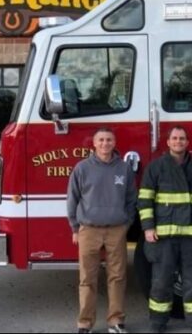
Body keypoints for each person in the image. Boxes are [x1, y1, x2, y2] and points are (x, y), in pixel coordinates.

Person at [137, 125, 192, 333]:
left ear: (187, 143)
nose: (178, 142)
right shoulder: (156, 168)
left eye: (182, 139)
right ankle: (157, 323)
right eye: (174, 138)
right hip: (164, 237)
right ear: (168, 142)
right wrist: (147, 228)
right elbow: (145, 199)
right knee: (161, 283)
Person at [67, 127, 137, 334]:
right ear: (94, 144)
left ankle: (116, 321)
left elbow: (132, 199)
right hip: (88, 229)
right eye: (101, 140)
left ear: (114, 143)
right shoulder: (82, 168)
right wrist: (74, 227)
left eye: (109, 140)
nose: (105, 143)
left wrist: (126, 223)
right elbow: (73, 199)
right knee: (87, 278)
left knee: (117, 276)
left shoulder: (124, 169)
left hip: (117, 229)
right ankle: (85, 323)